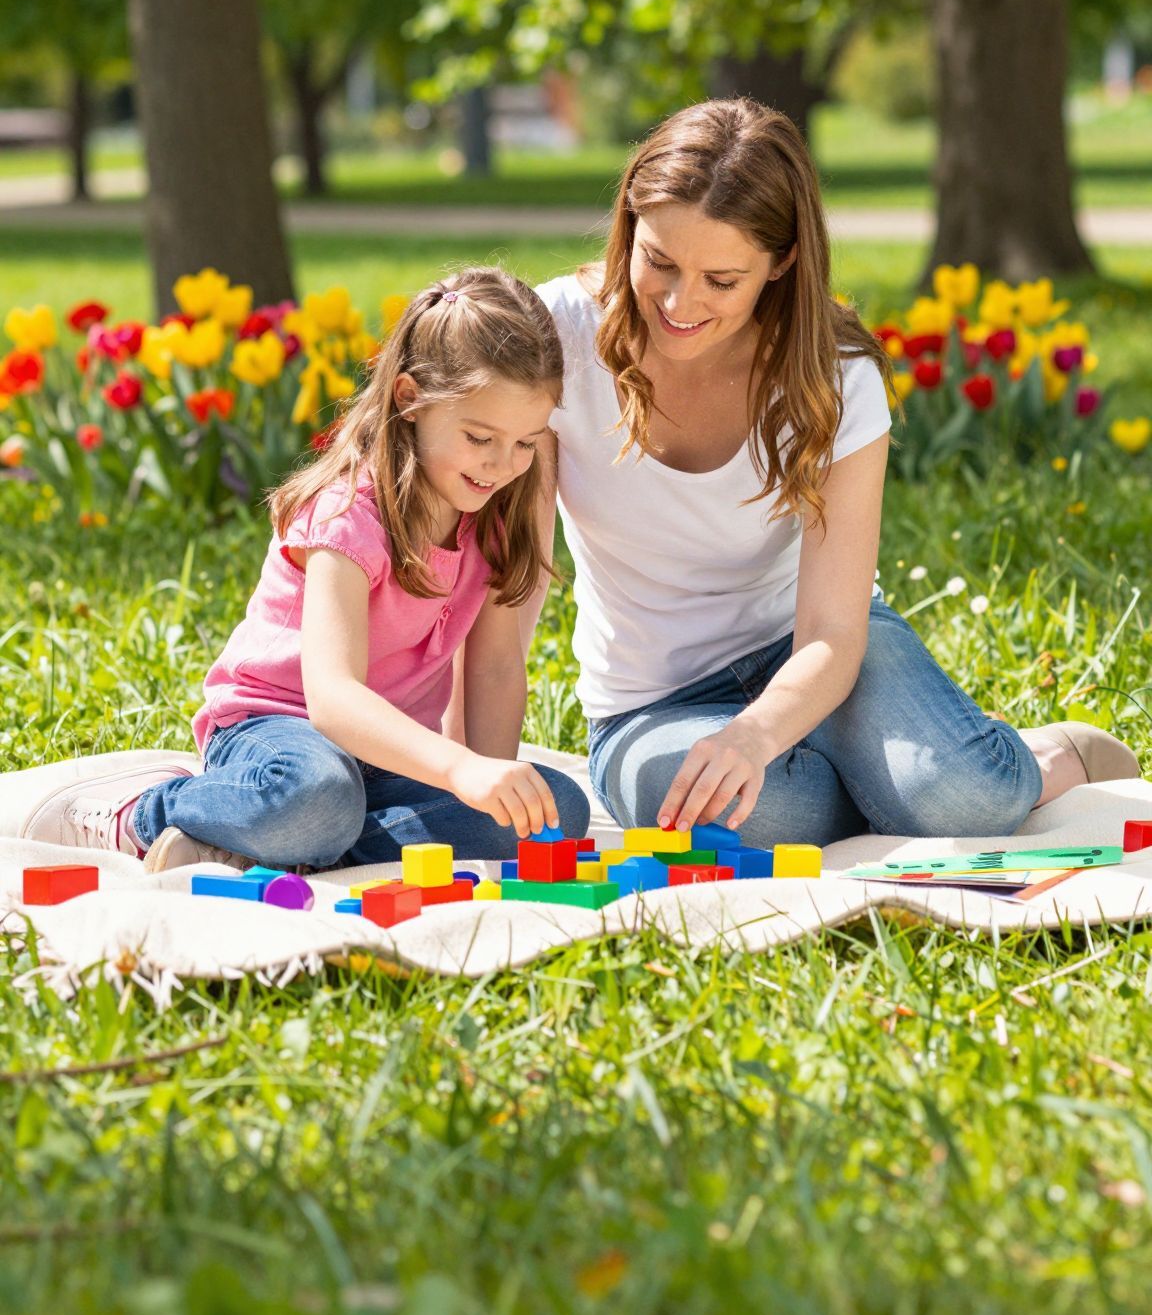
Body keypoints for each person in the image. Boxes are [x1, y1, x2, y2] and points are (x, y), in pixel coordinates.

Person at [535, 99, 1139, 847]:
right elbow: (508, 576)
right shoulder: (558, 334)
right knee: (714, 810)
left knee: (962, 804)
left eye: (721, 280)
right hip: (650, 703)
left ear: (781, 263)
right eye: (657, 260)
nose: (676, 302)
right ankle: (891, 777)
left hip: (816, 656)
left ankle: (1044, 755)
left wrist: (757, 737)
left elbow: (829, 630)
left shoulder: (832, 373)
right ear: (629, 224)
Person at [24, 269, 589, 870]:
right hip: (282, 738)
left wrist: (492, 793)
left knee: (557, 812)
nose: (503, 465)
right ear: (409, 399)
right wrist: (458, 769)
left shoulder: (495, 518)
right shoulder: (348, 516)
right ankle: (147, 814)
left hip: (388, 760)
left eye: (526, 443)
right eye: (480, 437)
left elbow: (498, 667)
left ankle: (273, 844)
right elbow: (333, 699)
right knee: (317, 795)